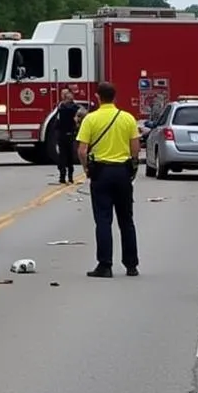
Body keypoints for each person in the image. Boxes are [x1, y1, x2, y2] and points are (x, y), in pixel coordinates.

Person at [76, 81, 141, 278]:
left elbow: (82, 149)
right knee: (126, 220)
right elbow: (135, 147)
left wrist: (87, 167)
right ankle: (131, 265)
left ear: (97, 97)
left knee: (103, 220)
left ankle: (105, 265)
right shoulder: (127, 118)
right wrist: (133, 167)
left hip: (101, 172)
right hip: (122, 172)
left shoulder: (90, 119)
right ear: (115, 97)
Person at [55, 87, 81, 184]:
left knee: (63, 156)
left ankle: (62, 176)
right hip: (70, 135)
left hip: (62, 135)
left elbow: (57, 122)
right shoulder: (75, 108)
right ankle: (70, 177)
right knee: (70, 156)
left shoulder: (60, 108)